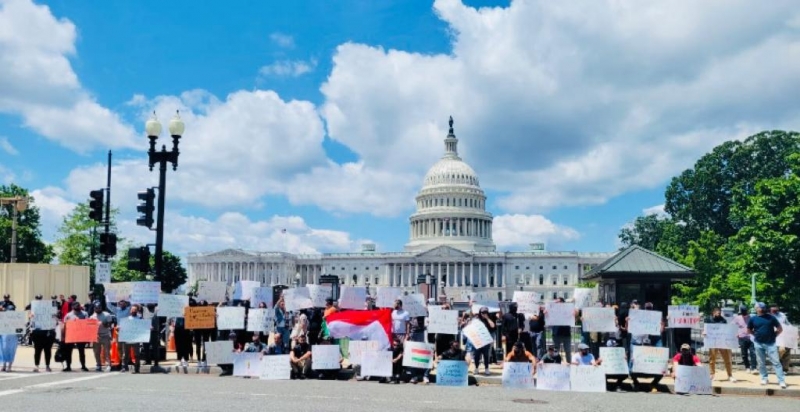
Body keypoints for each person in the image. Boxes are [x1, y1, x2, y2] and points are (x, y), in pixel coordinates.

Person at [748, 302, 786, 389]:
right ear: (756, 309)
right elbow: (749, 330)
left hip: (771, 343)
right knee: (761, 362)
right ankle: (764, 378)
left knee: (776, 362)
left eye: (763, 307)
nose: (762, 309)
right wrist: (755, 335)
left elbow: (780, 329)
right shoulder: (753, 319)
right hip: (758, 343)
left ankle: (781, 381)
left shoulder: (771, 318)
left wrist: (774, 335)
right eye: (760, 307)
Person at [704, 307, 736, 382]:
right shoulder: (708, 319)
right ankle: (712, 374)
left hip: (722, 342)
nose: (719, 314)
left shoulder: (723, 320)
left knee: (727, 359)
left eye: (720, 313)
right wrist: (704, 332)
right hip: (713, 342)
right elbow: (706, 328)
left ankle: (730, 375)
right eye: (718, 313)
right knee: (712, 359)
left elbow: (725, 329)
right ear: (714, 313)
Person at [29, 294, 56, 372]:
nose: (39, 300)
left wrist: (54, 316)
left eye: (40, 298)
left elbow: (55, 315)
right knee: (37, 350)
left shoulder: (49, 305)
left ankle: (47, 366)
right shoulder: (33, 305)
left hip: (47, 331)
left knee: (47, 350)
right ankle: (36, 365)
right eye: (37, 298)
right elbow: (28, 314)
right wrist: (30, 315)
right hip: (37, 332)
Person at [62, 301, 89, 372]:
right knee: (68, 351)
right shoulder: (68, 315)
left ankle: (83, 366)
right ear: (72, 307)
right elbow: (64, 326)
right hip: (71, 335)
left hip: (81, 336)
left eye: (78, 306)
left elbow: (87, 324)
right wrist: (63, 336)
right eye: (76, 307)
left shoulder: (84, 314)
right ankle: (68, 366)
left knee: (81, 351)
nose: (77, 308)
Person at [548, 297, 574, 364]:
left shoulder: (568, 309)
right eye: (556, 302)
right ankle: (556, 364)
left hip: (566, 334)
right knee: (556, 351)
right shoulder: (552, 310)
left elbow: (573, 315)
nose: (556, 303)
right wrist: (546, 313)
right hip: (556, 334)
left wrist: (574, 313)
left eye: (558, 302)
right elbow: (547, 317)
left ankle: (569, 364)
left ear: (562, 302)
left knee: (568, 351)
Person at [732, 305, 757, 374]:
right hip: (742, 338)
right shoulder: (737, 318)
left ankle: (754, 368)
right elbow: (732, 326)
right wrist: (736, 333)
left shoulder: (751, 318)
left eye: (745, 312)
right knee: (744, 354)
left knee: (753, 353)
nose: (745, 314)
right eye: (743, 312)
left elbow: (755, 326)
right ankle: (747, 367)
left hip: (751, 338)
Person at [90, 303, 113, 372]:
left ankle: (108, 364)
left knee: (107, 351)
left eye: (99, 308)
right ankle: (98, 364)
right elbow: (90, 327)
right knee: (96, 351)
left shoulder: (106, 315)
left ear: (101, 308)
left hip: (105, 335)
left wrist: (104, 323)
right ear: (94, 309)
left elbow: (110, 325)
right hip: (96, 335)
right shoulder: (92, 317)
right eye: (96, 308)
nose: (97, 309)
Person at [472, 306, 496, 376]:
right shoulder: (476, 319)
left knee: (486, 355)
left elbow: (493, 326)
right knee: (477, 355)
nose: (484, 314)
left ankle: (486, 368)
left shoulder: (490, 318)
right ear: (480, 313)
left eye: (486, 312)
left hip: (486, 340)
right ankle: (476, 368)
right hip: (478, 340)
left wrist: (487, 318)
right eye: (483, 312)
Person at [120, 304, 143, 373]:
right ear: (130, 311)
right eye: (132, 310)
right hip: (127, 340)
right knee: (125, 354)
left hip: (136, 340)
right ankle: (124, 367)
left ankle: (137, 368)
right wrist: (119, 328)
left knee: (137, 355)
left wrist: (148, 327)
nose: (133, 311)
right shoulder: (126, 319)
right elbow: (122, 327)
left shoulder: (140, 319)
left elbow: (144, 327)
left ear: (137, 311)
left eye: (135, 310)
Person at [770, 305, 792, 373]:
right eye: (773, 309)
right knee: (776, 352)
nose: (775, 310)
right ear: (770, 310)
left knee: (786, 352)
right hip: (773, 336)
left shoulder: (782, 315)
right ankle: (777, 367)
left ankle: (785, 369)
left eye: (776, 309)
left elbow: (788, 324)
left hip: (783, 336)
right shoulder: (768, 316)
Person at [0, 294, 19, 372]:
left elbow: (19, 327)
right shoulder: (1, 303)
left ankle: (9, 366)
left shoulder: (11, 305)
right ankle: (4, 365)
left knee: (11, 349)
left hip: (12, 334)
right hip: (3, 332)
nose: (6, 299)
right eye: (5, 298)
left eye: (7, 298)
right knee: (3, 349)